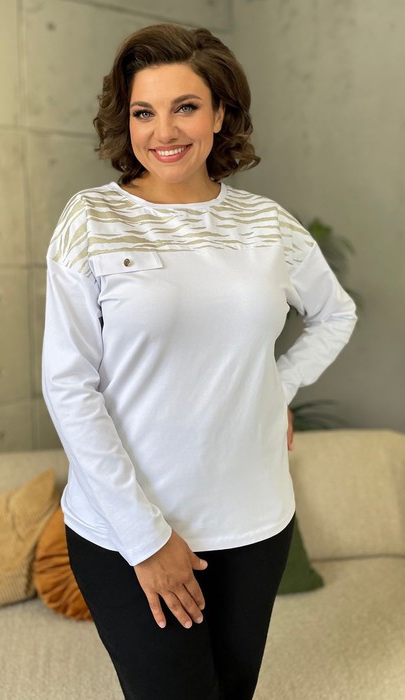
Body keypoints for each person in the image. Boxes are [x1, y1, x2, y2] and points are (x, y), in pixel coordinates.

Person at [42, 23, 357, 700]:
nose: (164, 131)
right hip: (125, 531)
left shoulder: (267, 225)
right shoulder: (90, 220)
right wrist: (147, 540)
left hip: (254, 523)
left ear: (220, 113)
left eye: (185, 106)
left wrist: (277, 387)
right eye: (143, 112)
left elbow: (337, 314)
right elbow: (69, 387)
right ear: (125, 121)